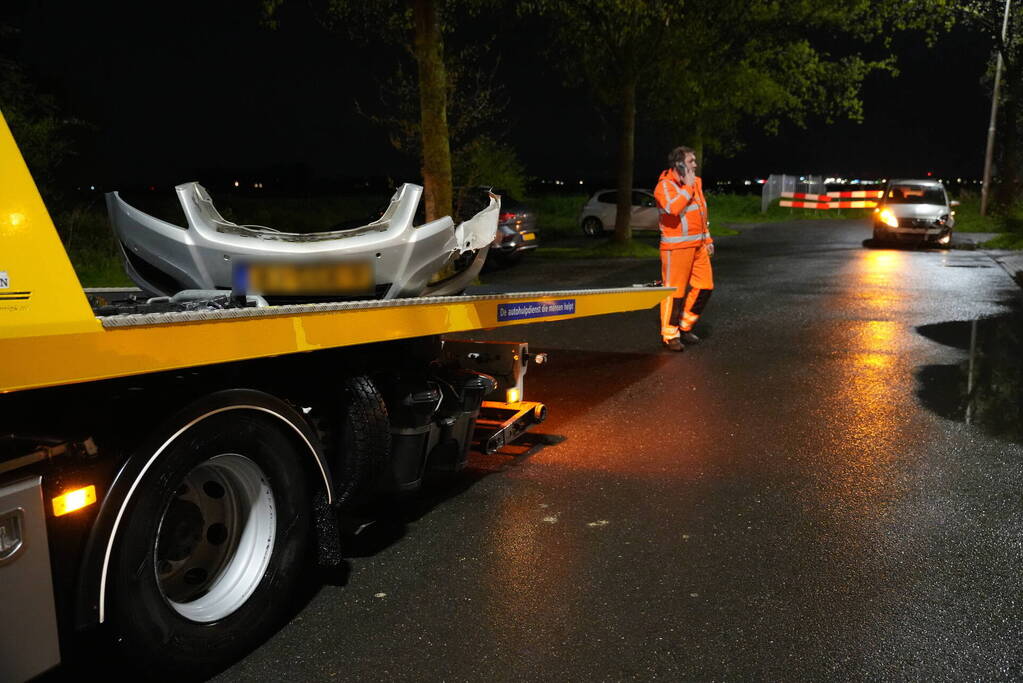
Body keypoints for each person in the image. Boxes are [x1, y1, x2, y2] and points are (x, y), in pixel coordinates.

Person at [654, 146, 714, 352]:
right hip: (676, 248)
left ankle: (684, 326)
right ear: (679, 165)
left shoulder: (695, 183)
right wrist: (688, 188)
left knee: (705, 287)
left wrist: (707, 240)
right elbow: (673, 208)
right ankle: (670, 334)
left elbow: (701, 214)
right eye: (691, 161)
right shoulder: (664, 186)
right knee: (674, 292)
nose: (695, 165)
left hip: (698, 246)